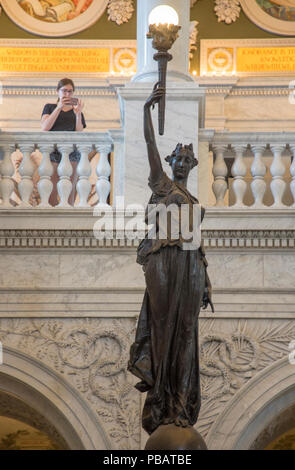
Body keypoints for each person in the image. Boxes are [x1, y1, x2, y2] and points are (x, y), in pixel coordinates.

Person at [128, 84, 214, 436]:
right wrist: (146, 112)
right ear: (170, 162)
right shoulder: (162, 186)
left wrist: (206, 280)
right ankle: (161, 401)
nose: (180, 162)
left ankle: (181, 402)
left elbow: (197, 242)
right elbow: (150, 145)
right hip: (164, 260)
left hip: (191, 266)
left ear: (192, 164)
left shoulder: (192, 199)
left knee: (186, 332)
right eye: (176, 157)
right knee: (164, 329)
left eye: (185, 159)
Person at [41, 78, 86, 206]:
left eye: (70, 91)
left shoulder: (76, 110)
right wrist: (59, 107)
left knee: (71, 186)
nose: (67, 94)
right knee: (52, 186)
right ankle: (52, 217)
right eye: (64, 91)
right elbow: (45, 127)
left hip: (71, 150)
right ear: (58, 92)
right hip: (53, 150)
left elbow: (79, 131)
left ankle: (69, 212)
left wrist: (78, 114)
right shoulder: (49, 107)